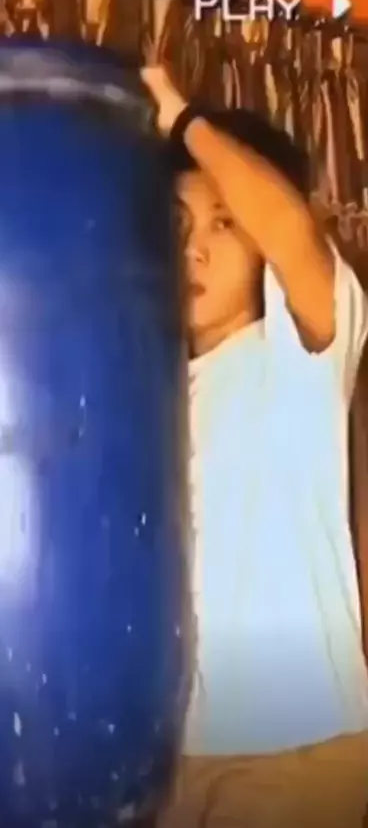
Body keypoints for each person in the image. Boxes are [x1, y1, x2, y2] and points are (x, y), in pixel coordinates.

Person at [140, 64, 368, 828]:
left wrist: (186, 125)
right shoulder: (153, 393)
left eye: (223, 222)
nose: (195, 252)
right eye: (177, 227)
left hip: (298, 747)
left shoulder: (300, 355)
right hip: (181, 757)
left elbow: (292, 232)